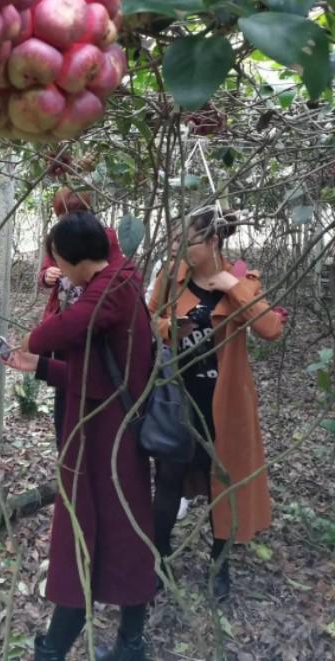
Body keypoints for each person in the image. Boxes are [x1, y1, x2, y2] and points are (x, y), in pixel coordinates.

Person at [8, 212, 154, 661]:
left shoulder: (111, 286)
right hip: (103, 422)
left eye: (59, 264)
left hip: (105, 436)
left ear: (73, 261)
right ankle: (124, 642)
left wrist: (33, 345)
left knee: (91, 531)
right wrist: (41, 367)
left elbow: (59, 330)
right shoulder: (118, 274)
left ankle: (57, 649)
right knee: (120, 530)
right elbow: (95, 371)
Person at [148, 208, 285, 600]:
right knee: (169, 479)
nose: (176, 251)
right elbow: (152, 316)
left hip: (224, 405)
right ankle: (159, 559)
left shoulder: (243, 281)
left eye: (184, 243)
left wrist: (231, 286)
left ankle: (219, 565)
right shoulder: (170, 280)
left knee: (223, 485)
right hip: (177, 397)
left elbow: (271, 328)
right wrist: (171, 327)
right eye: (172, 243)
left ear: (211, 242)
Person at [38, 188, 122, 448]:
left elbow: (114, 273)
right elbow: (45, 269)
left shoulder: (103, 236)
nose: (68, 219)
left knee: (92, 379)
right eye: (63, 215)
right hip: (65, 325)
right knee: (65, 389)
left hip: (92, 323)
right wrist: (48, 275)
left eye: (75, 213)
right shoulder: (58, 237)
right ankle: (66, 446)